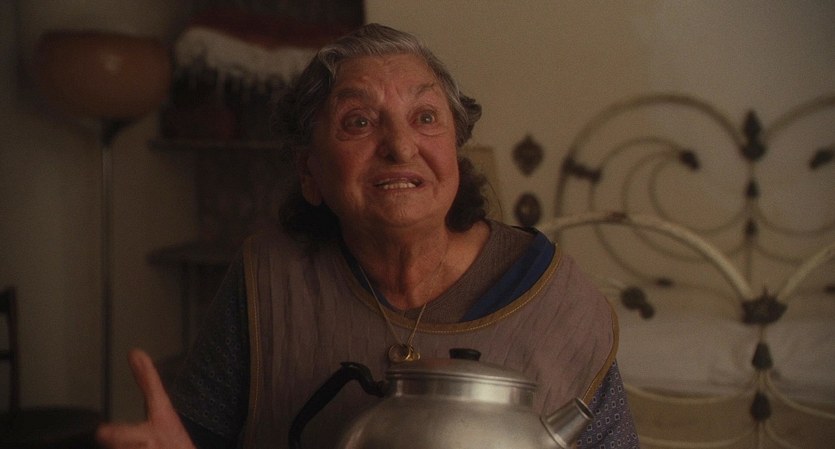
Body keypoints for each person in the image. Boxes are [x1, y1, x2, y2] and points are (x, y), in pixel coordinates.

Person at [96, 23, 639, 448]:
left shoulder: (556, 301)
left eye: (425, 117)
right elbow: (194, 436)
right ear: (309, 170)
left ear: (455, 151)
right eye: (358, 121)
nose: (400, 146)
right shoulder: (269, 278)